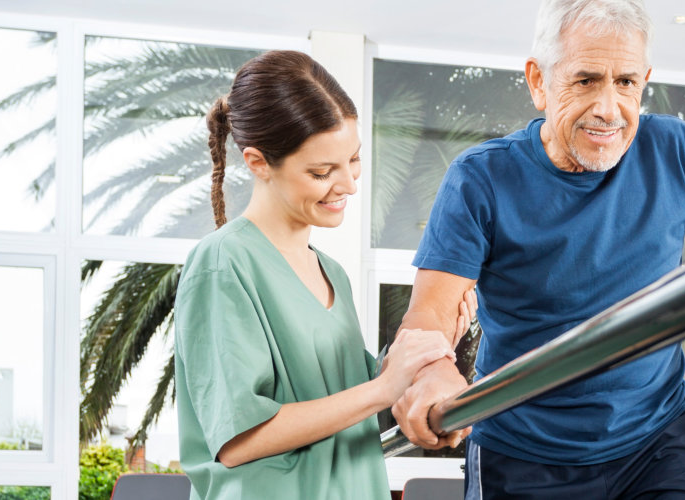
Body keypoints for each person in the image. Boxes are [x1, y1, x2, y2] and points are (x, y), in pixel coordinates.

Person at [387, 0, 685, 497]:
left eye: (626, 83)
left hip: (655, 443)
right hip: (524, 450)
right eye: (586, 80)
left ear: (644, 82)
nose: (608, 107)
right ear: (538, 82)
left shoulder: (676, 152)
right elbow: (430, 316)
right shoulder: (482, 177)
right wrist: (436, 371)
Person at [171, 50, 472, 499]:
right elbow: (237, 440)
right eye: (321, 171)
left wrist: (427, 349)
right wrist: (382, 387)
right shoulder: (222, 263)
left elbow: (348, 399)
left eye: (353, 159)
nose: (349, 183)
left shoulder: (332, 274)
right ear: (257, 162)